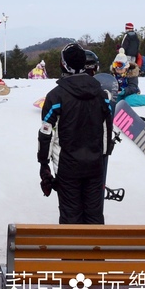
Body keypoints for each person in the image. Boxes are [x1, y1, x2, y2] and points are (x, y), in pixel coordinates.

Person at [37, 43, 114, 224]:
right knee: (94, 216)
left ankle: (72, 252)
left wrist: (43, 164)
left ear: (64, 65)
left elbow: (46, 132)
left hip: (68, 167)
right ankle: (94, 252)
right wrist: (102, 157)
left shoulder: (56, 96)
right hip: (95, 166)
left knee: (70, 217)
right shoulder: (102, 95)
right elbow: (106, 131)